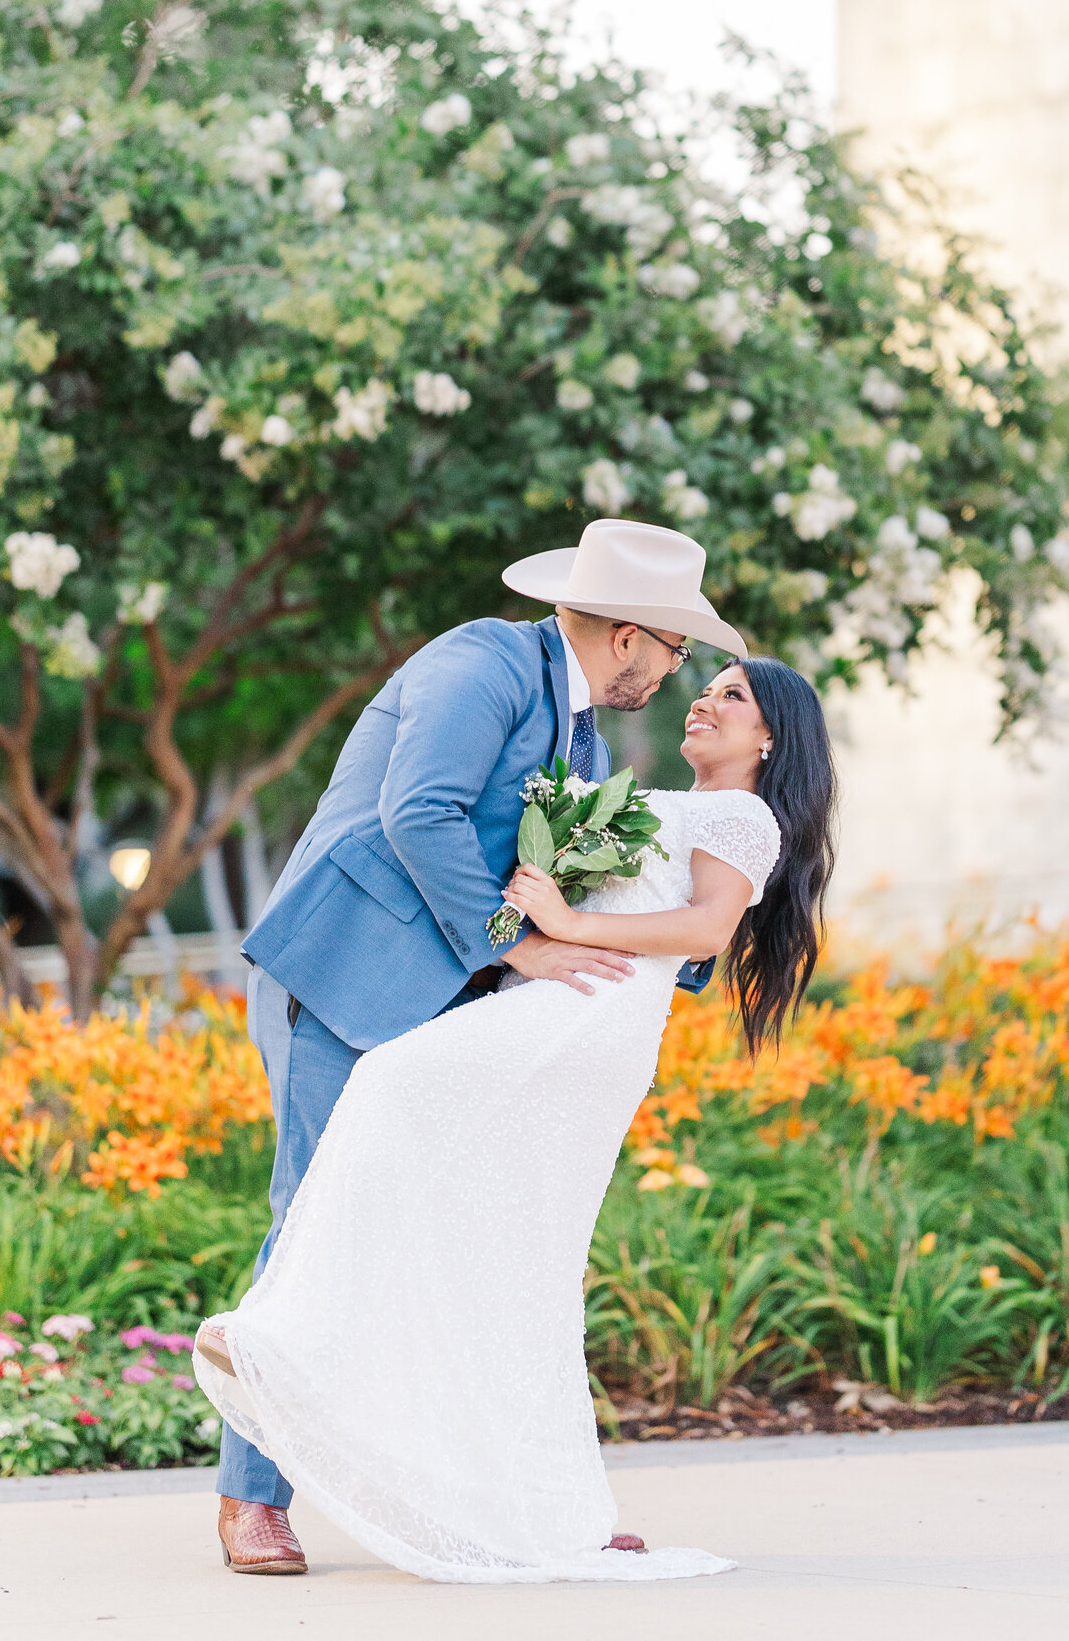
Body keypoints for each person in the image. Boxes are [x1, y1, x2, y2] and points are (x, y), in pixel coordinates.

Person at [194, 582, 836, 1583]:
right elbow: (421, 814)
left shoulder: (584, 741)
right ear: (630, 636)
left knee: (471, 1246)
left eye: (716, 684)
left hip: (480, 1006)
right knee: (318, 1198)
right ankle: (252, 1499)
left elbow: (665, 896)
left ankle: (490, 1497)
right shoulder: (481, 665)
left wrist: (609, 942)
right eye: (677, 655)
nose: (679, 684)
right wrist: (522, 942)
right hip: (346, 973)